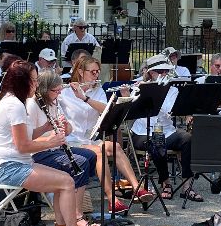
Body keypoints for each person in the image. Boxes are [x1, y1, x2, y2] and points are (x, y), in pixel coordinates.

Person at [0, 60, 102, 226]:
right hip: (10, 167)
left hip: (19, 163)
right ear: (22, 81)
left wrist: (46, 127)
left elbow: (27, 135)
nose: (36, 85)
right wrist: (50, 142)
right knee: (67, 182)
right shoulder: (15, 106)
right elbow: (22, 146)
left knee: (65, 179)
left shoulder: (14, 101)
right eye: (33, 81)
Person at [59, 55, 154, 212]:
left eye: (98, 72)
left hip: (89, 138)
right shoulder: (66, 93)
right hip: (72, 140)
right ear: (81, 72)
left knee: (115, 147)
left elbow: (106, 110)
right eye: (92, 72)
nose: (96, 75)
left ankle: (137, 188)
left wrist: (85, 98)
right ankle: (112, 199)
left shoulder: (97, 91)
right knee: (100, 152)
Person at [27, 71, 99, 226]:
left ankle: (75, 208)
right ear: (45, 89)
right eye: (56, 90)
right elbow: (28, 139)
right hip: (39, 152)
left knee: (91, 156)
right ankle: (76, 214)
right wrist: (49, 138)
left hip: (55, 148)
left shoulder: (53, 101)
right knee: (80, 164)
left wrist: (66, 126)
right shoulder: (32, 105)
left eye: (60, 90)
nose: (59, 93)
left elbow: (68, 130)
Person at [130, 55, 203, 202]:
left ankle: (186, 186)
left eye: (165, 71)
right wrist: (129, 94)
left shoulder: (172, 90)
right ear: (151, 73)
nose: (164, 74)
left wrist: (162, 92)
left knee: (187, 138)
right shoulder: (139, 88)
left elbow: (170, 110)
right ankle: (166, 183)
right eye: (160, 71)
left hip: (167, 130)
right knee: (157, 141)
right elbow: (131, 110)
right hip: (142, 132)